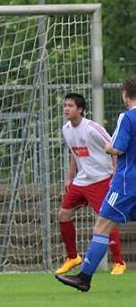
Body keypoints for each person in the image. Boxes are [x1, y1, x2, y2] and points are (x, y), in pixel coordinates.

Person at [57, 77, 136, 292]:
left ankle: (84, 277)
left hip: (127, 182)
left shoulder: (127, 117)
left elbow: (117, 149)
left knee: (102, 225)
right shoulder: (68, 130)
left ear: (125, 94)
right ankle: (77, 262)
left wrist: (108, 147)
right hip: (93, 180)